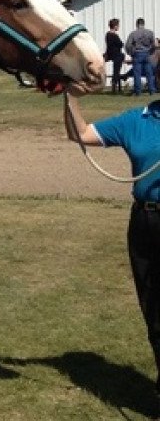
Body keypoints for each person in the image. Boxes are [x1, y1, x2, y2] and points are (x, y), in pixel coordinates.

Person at [65, 91, 160, 416]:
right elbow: (81, 133)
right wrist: (70, 95)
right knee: (153, 308)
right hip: (145, 222)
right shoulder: (137, 120)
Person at [125, 18, 157, 96]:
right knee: (149, 73)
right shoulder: (150, 33)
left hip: (137, 53)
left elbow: (128, 45)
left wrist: (131, 53)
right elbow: (154, 45)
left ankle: (138, 91)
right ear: (143, 24)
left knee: (137, 73)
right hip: (147, 53)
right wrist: (150, 52)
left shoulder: (133, 34)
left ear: (137, 24)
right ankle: (151, 90)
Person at [105, 18, 125, 94]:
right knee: (116, 71)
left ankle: (115, 84)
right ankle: (115, 85)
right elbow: (120, 44)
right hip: (116, 54)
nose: (118, 27)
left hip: (110, 54)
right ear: (115, 26)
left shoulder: (107, 35)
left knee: (116, 70)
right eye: (118, 25)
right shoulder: (114, 35)